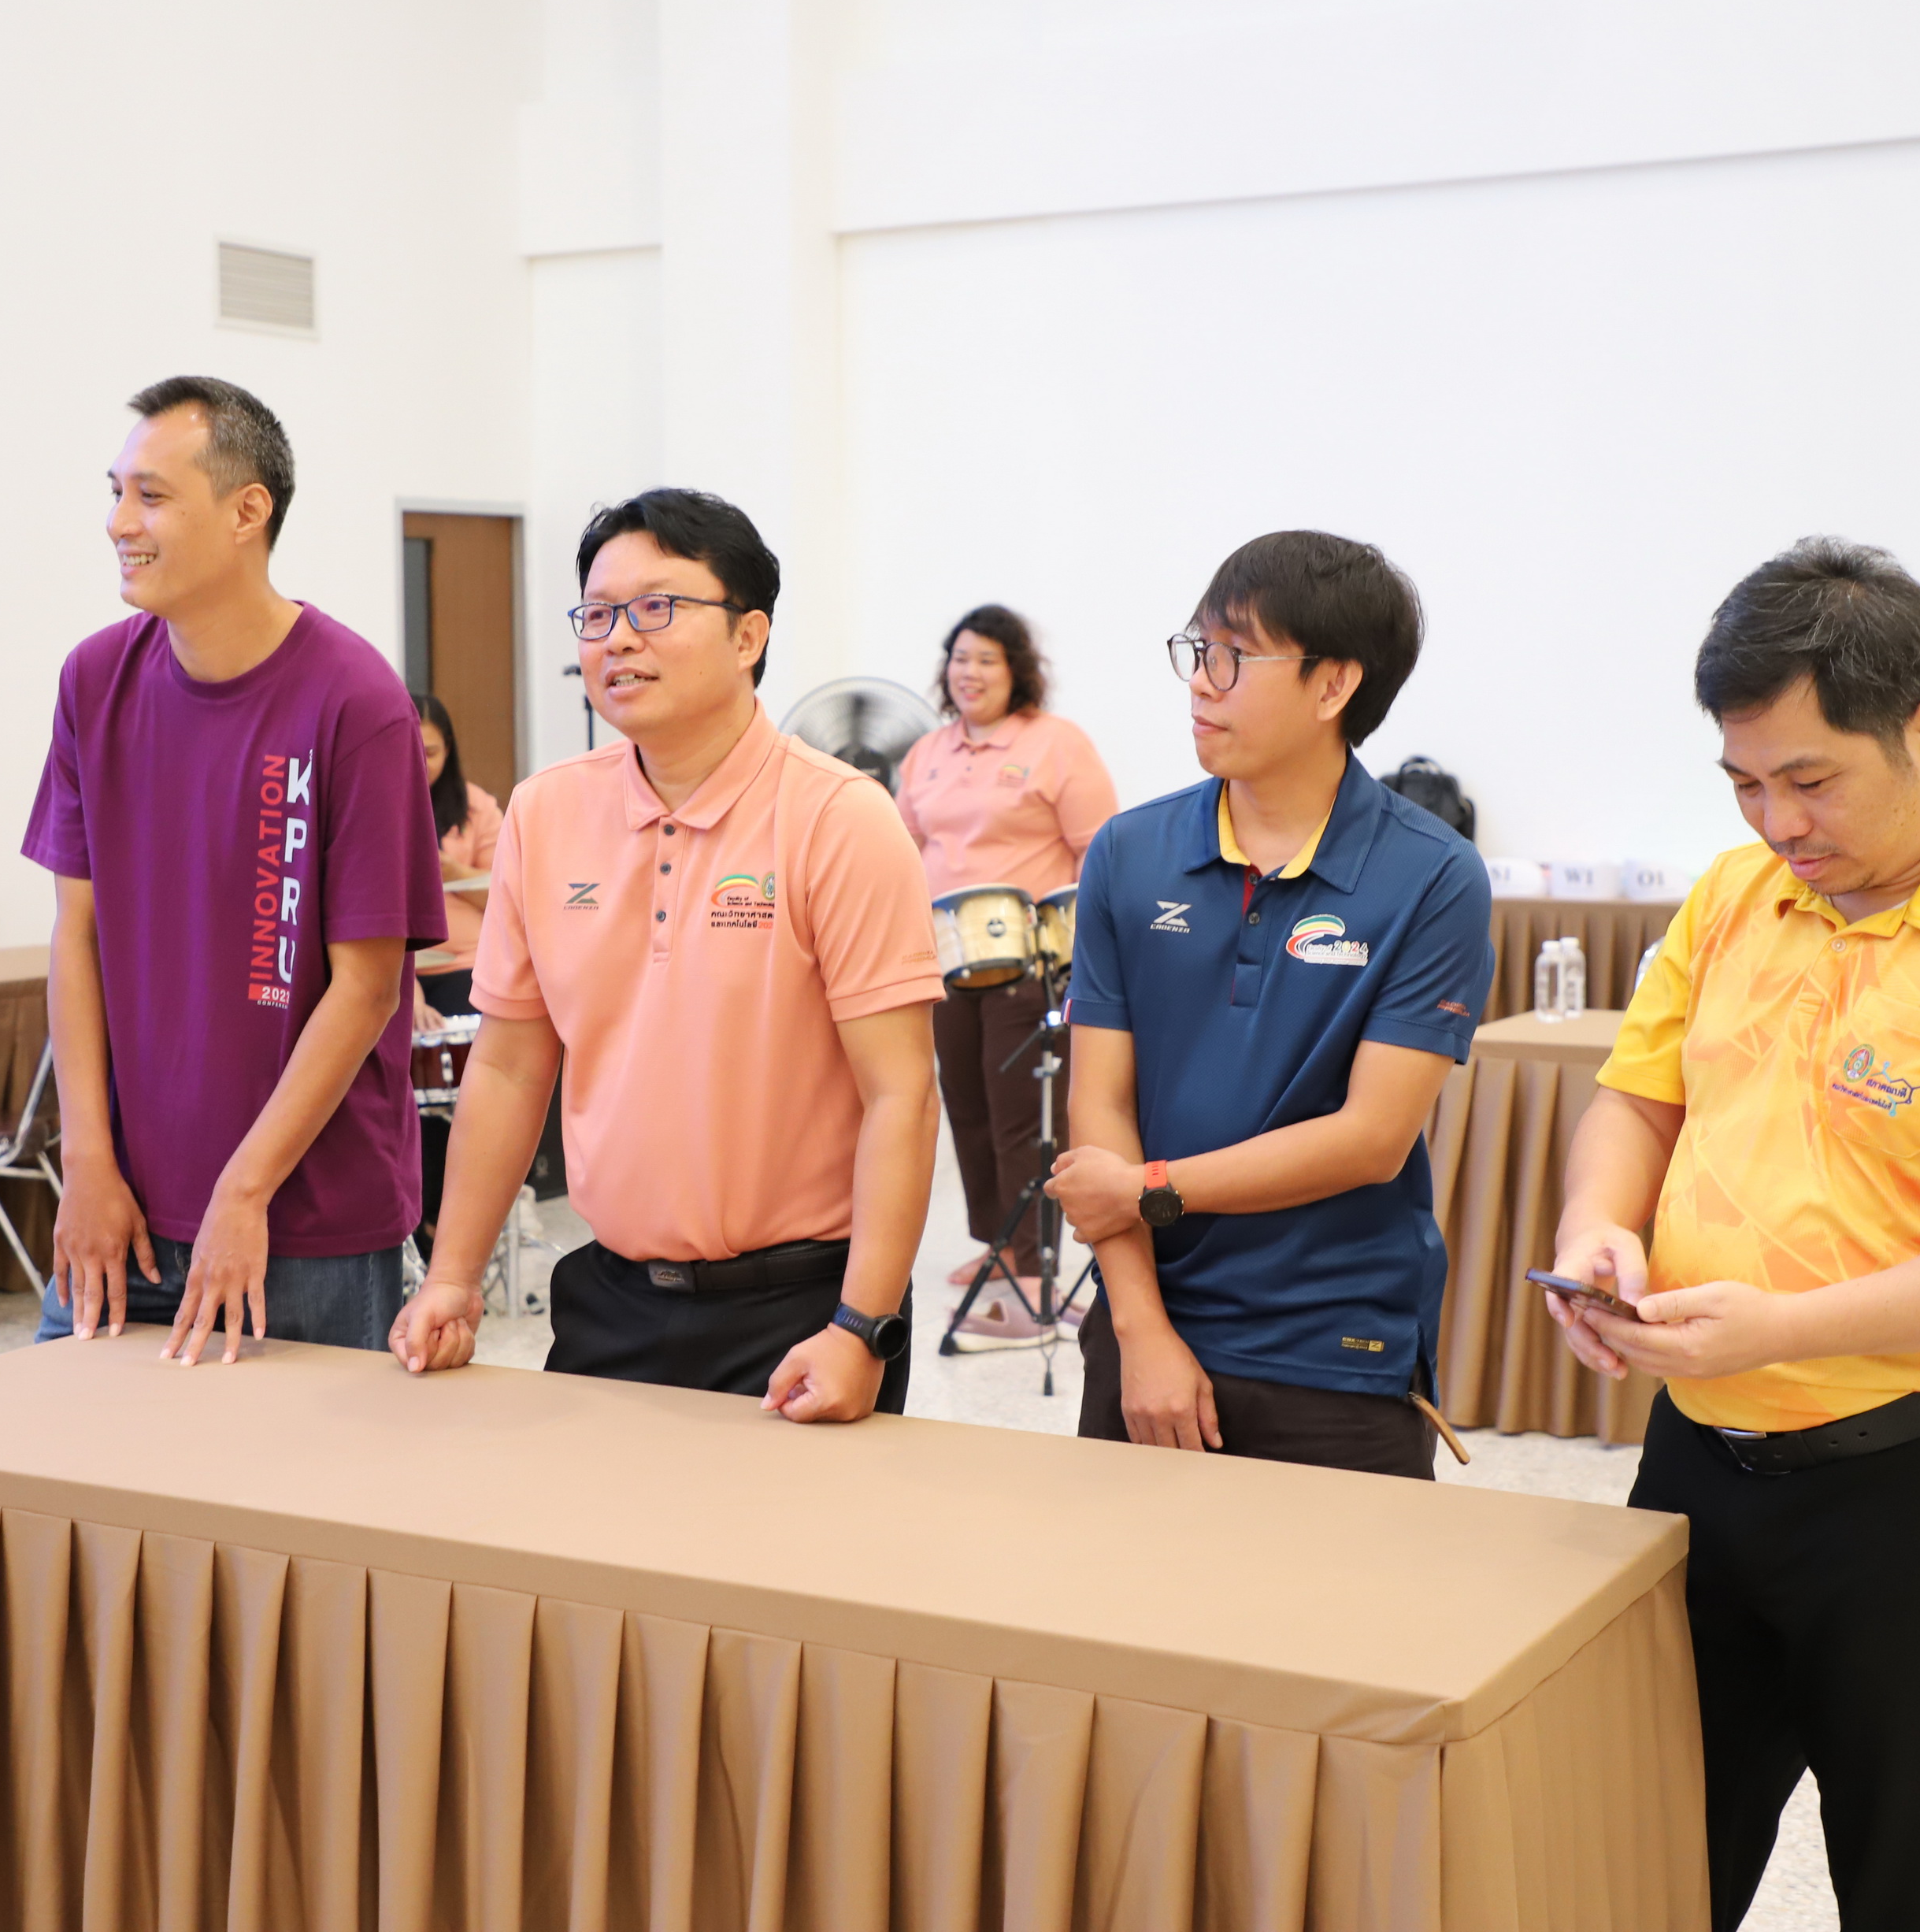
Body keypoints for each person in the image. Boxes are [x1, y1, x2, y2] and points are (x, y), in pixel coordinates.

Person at [1542, 538, 1920, 1931]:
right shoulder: (1732, 896)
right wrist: (1595, 1228)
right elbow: (1636, 1099)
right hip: (1702, 1461)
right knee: (1652, 1858)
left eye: (1809, 780)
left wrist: (1784, 1329)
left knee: (1914, 1878)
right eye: (1744, 783)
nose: (1776, 820)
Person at [387, 488, 943, 1422]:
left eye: (656, 608)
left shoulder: (839, 817)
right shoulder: (545, 811)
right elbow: (512, 1067)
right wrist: (452, 1276)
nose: (619, 639)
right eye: (599, 615)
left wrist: (860, 1327)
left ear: (748, 635)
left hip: (801, 1311)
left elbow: (903, 1095)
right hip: (611, 1297)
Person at [1043, 532, 1494, 1477]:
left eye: (1235, 657)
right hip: (1147, 1322)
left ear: (1334, 686)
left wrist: (1150, 1189)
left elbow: (1371, 1139)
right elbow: (1100, 1105)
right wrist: (1140, 1331)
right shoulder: (1129, 853)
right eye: (1197, 650)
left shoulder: (1433, 876)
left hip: (1334, 1349)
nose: (1201, 684)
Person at [23, 376, 446, 1365]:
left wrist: (244, 1190)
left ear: (247, 511)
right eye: (117, 493)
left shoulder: (356, 702)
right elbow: (76, 936)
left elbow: (366, 988)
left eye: (152, 496)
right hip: (126, 1206)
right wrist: (86, 1160)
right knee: (64, 1453)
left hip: (303, 1223)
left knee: (292, 1469)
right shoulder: (94, 681)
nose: (120, 523)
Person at [892, 605, 1118, 1342]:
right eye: (960, 658)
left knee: (1022, 1112)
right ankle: (997, 1244)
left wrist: (1090, 959)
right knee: (966, 1107)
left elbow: (1099, 851)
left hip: (1029, 961)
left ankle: (1032, 1262)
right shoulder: (927, 752)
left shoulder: (1056, 744)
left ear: (1016, 670)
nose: (970, 672)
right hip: (942, 960)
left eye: (986, 659)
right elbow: (901, 846)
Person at [411, 693, 504, 1022]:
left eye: (430, 753)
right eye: (410, 751)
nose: (420, 763)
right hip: (390, 967)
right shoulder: (368, 807)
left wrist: (454, 873)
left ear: (448, 750)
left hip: (466, 965)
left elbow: (508, 898)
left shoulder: (478, 808)